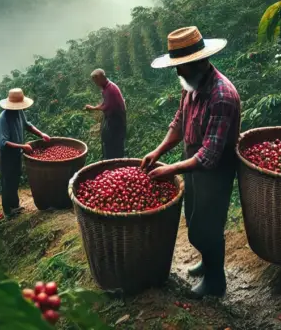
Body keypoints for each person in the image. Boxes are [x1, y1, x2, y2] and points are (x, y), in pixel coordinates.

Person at [141, 26, 240, 298]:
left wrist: (171, 169)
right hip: (192, 164)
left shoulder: (222, 96)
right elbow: (179, 123)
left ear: (197, 63)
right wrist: (158, 152)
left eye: (181, 67)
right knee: (195, 219)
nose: (177, 72)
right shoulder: (191, 86)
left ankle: (215, 282)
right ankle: (207, 261)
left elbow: (209, 155)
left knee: (208, 225)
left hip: (215, 171)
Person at [0, 88, 50, 218]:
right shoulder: (2, 119)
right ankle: (8, 211)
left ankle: (15, 206)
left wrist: (41, 134)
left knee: (15, 178)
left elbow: (27, 125)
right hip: (7, 156)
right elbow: (4, 143)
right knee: (7, 181)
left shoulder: (19, 112)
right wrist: (23, 146)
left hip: (17, 153)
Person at [84, 69, 126, 160]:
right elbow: (105, 103)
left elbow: (107, 106)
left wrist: (93, 108)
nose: (96, 84)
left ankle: (114, 163)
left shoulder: (110, 89)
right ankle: (109, 161)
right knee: (107, 142)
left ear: (100, 78)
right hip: (111, 119)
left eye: (96, 81)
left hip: (116, 120)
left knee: (113, 145)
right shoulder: (107, 88)